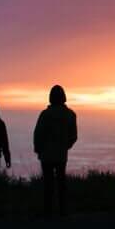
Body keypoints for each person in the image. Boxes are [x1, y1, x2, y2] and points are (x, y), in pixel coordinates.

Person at [33, 84, 78, 217]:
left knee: (48, 183)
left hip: (46, 154)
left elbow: (38, 133)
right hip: (61, 154)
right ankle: (62, 210)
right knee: (61, 183)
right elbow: (73, 136)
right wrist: (65, 146)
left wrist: (38, 149)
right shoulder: (70, 115)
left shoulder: (45, 114)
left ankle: (48, 211)